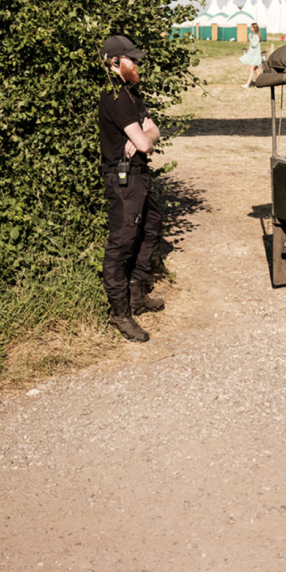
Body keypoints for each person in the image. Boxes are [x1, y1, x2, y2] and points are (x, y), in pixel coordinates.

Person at [98, 35, 164, 343]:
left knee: (151, 227)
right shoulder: (116, 98)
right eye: (131, 60)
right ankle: (120, 313)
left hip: (138, 176)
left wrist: (146, 135)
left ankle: (137, 293)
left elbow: (153, 130)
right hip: (123, 181)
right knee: (121, 244)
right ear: (115, 62)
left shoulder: (130, 94)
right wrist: (144, 137)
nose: (137, 64)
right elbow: (144, 142)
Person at [240, 22, 263, 88]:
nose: (250, 28)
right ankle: (260, 84)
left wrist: (250, 38)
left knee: (251, 69)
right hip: (255, 56)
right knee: (256, 70)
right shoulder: (255, 35)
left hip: (255, 57)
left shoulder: (256, 36)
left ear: (254, 28)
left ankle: (247, 84)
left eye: (251, 27)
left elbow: (253, 45)